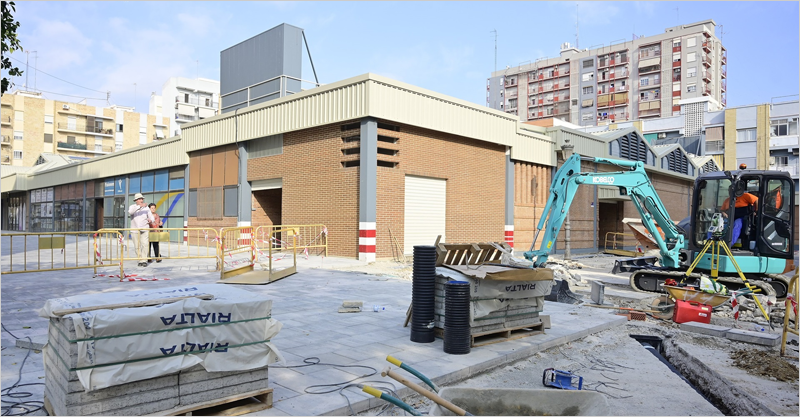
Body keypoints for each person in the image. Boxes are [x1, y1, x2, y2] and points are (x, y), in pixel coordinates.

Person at [128, 193, 155, 267]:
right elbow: (130, 212)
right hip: (135, 229)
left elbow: (152, 217)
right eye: (140, 199)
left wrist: (151, 220)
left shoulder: (146, 208)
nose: (142, 200)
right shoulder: (132, 207)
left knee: (145, 244)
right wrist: (139, 206)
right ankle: (140, 259)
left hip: (145, 228)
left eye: (142, 199)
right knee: (137, 246)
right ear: (136, 200)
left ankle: (144, 260)